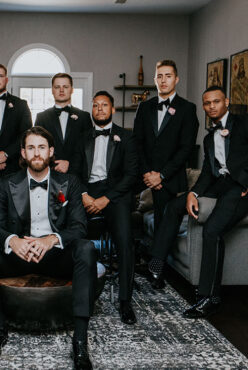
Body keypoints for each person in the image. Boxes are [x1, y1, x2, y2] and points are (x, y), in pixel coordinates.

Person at [0, 126, 97, 369]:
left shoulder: (70, 182)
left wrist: (50, 239)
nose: (36, 153)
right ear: (23, 153)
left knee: (87, 249)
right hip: (20, 254)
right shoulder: (6, 184)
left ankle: (80, 340)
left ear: (51, 151)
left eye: (41, 147)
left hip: (55, 255)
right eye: (31, 148)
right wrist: (13, 241)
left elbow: (80, 227)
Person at [148, 86, 248, 318]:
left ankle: (210, 297)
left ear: (226, 102)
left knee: (212, 231)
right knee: (174, 206)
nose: (211, 106)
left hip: (244, 189)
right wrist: (193, 194)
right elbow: (209, 173)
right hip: (222, 185)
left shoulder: (247, 123)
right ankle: (157, 265)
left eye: (216, 101)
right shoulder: (209, 138)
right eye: (207, 103)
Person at [72, 91, 138, 325]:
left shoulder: (126, 138)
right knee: (72, 232)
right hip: (87, 193)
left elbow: (131, 176)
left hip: (115, 196)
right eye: (95, 105)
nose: (99, 109)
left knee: (124, 239)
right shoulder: (82, 137)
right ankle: (74, 288)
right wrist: (84, 196)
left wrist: (106, 199)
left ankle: (125, 301)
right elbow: (75, 173)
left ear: (113, 110)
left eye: (104, 105)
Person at [132, 59, 199, 287]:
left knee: (164, 216)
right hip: (145, 175)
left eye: (168, 75)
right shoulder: (145, 107)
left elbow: (186, 148)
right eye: (159, 76)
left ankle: (156, 268)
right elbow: (137, 143)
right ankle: (143, 262)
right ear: (154, 79)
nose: (163, 80)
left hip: (171, 178)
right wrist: (148, 174)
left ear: (176, 79)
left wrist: (161, 176)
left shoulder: (188, 109)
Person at [35, 73, 92, 173]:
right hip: (49, 172)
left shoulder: (84, 117)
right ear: (52, 90)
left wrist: (70, 163)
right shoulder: (42, 117)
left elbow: (88, 148)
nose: (61, 90)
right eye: (57, 87)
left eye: (65, 87)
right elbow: (38, 147)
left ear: (72, 89)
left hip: (76, 173)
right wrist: (54, 164)